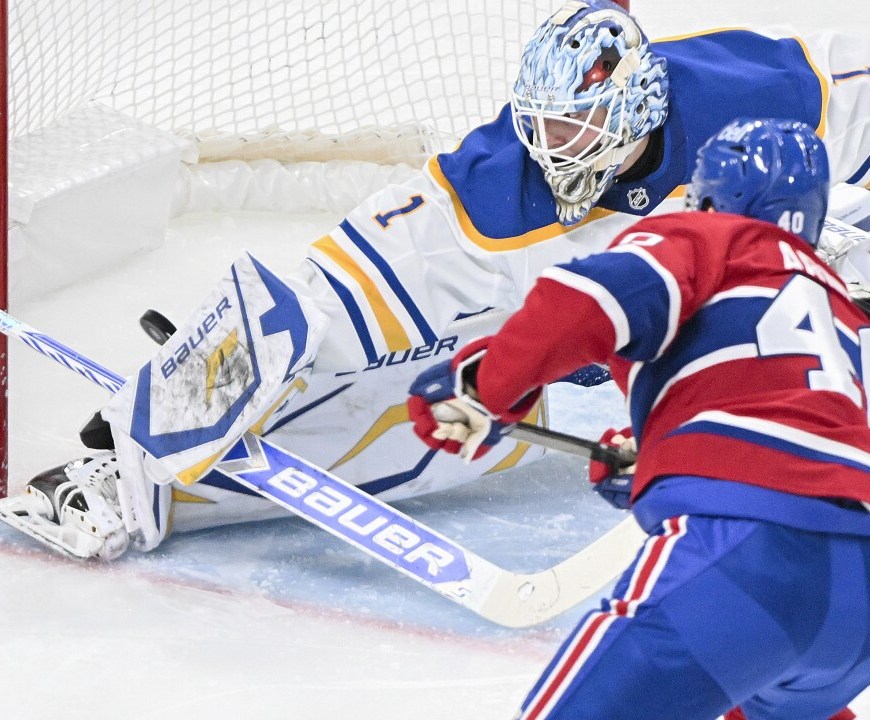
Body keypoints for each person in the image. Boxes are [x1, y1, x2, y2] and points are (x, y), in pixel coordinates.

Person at [1, 1, 868, 565]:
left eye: (574, 128)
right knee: (431, 432)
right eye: (543, 125)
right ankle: (134, 486)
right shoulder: (492, 191)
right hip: (550, 332)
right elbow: (319, 299)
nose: (553, 148)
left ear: (637, 108)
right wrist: (196, 380)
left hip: (707, 331)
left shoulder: (762, 94)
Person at [407, 116, 870, 720]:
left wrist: (485, 386)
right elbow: (801, 424)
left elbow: (589, 300)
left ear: (709, 196)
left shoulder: (713, 237)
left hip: (751, 550)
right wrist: (659, 452)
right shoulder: (839, 304)